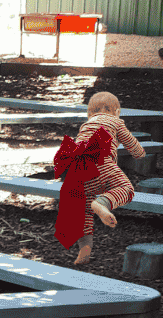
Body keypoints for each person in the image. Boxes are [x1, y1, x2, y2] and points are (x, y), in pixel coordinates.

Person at [53, 91, 147, 264]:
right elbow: (134, 147)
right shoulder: (115, 121)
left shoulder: (86, 125)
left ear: (89, 114)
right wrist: (140, 153)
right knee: (126, 189)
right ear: (117, 112)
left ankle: (84, 252)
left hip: (77, 169)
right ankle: (103, 203)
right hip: (100, 161)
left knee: (84, 213)